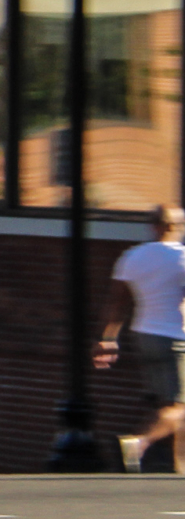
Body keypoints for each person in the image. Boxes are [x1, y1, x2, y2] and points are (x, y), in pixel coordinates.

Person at [98, 202, 185, 474]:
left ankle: (179, 467)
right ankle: (139, 442)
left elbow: (116, 302)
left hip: (145, 336)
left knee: (168, 405)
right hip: (176, 339)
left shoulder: (132, 257)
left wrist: (107, 339)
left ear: (153, 225)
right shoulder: (182, 257)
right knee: (179, 407)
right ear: (174, 227)